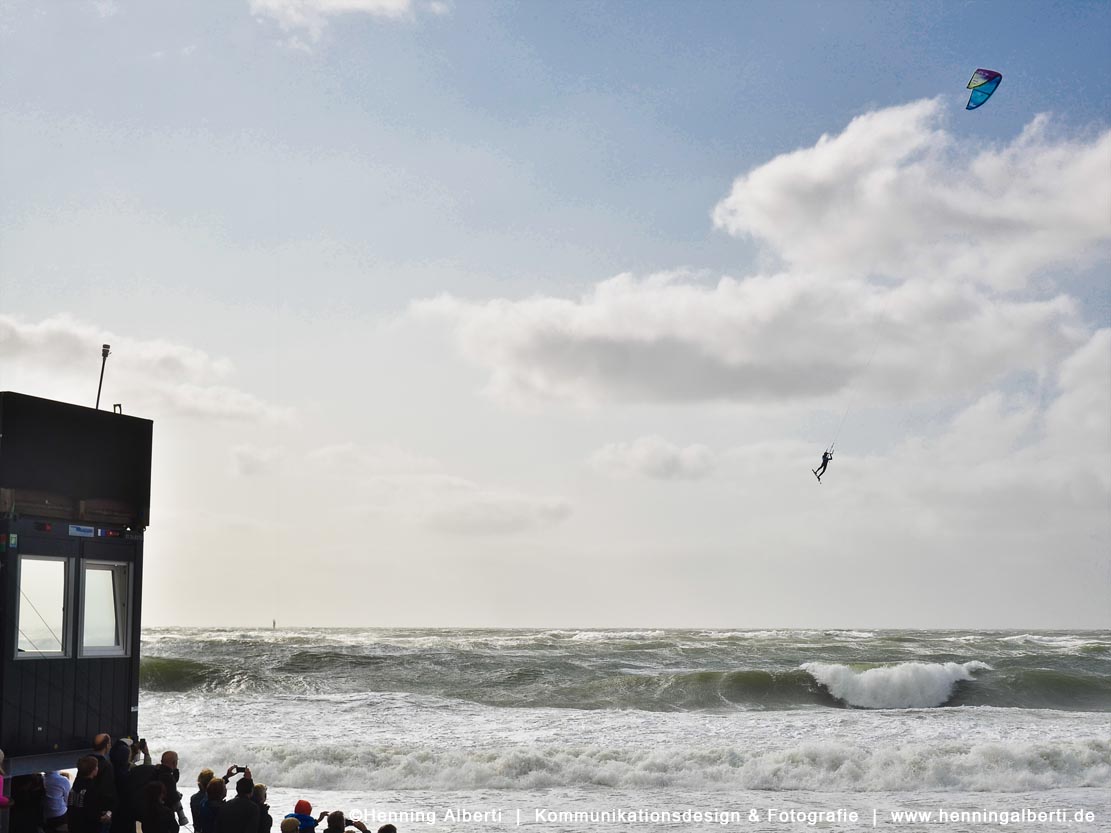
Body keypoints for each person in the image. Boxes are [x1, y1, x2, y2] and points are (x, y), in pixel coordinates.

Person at [68, 756, 113, 833]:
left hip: (74, 825)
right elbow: (93, 813)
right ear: (93, 771)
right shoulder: (92, 789)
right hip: (89, 827)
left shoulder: (74, 787)